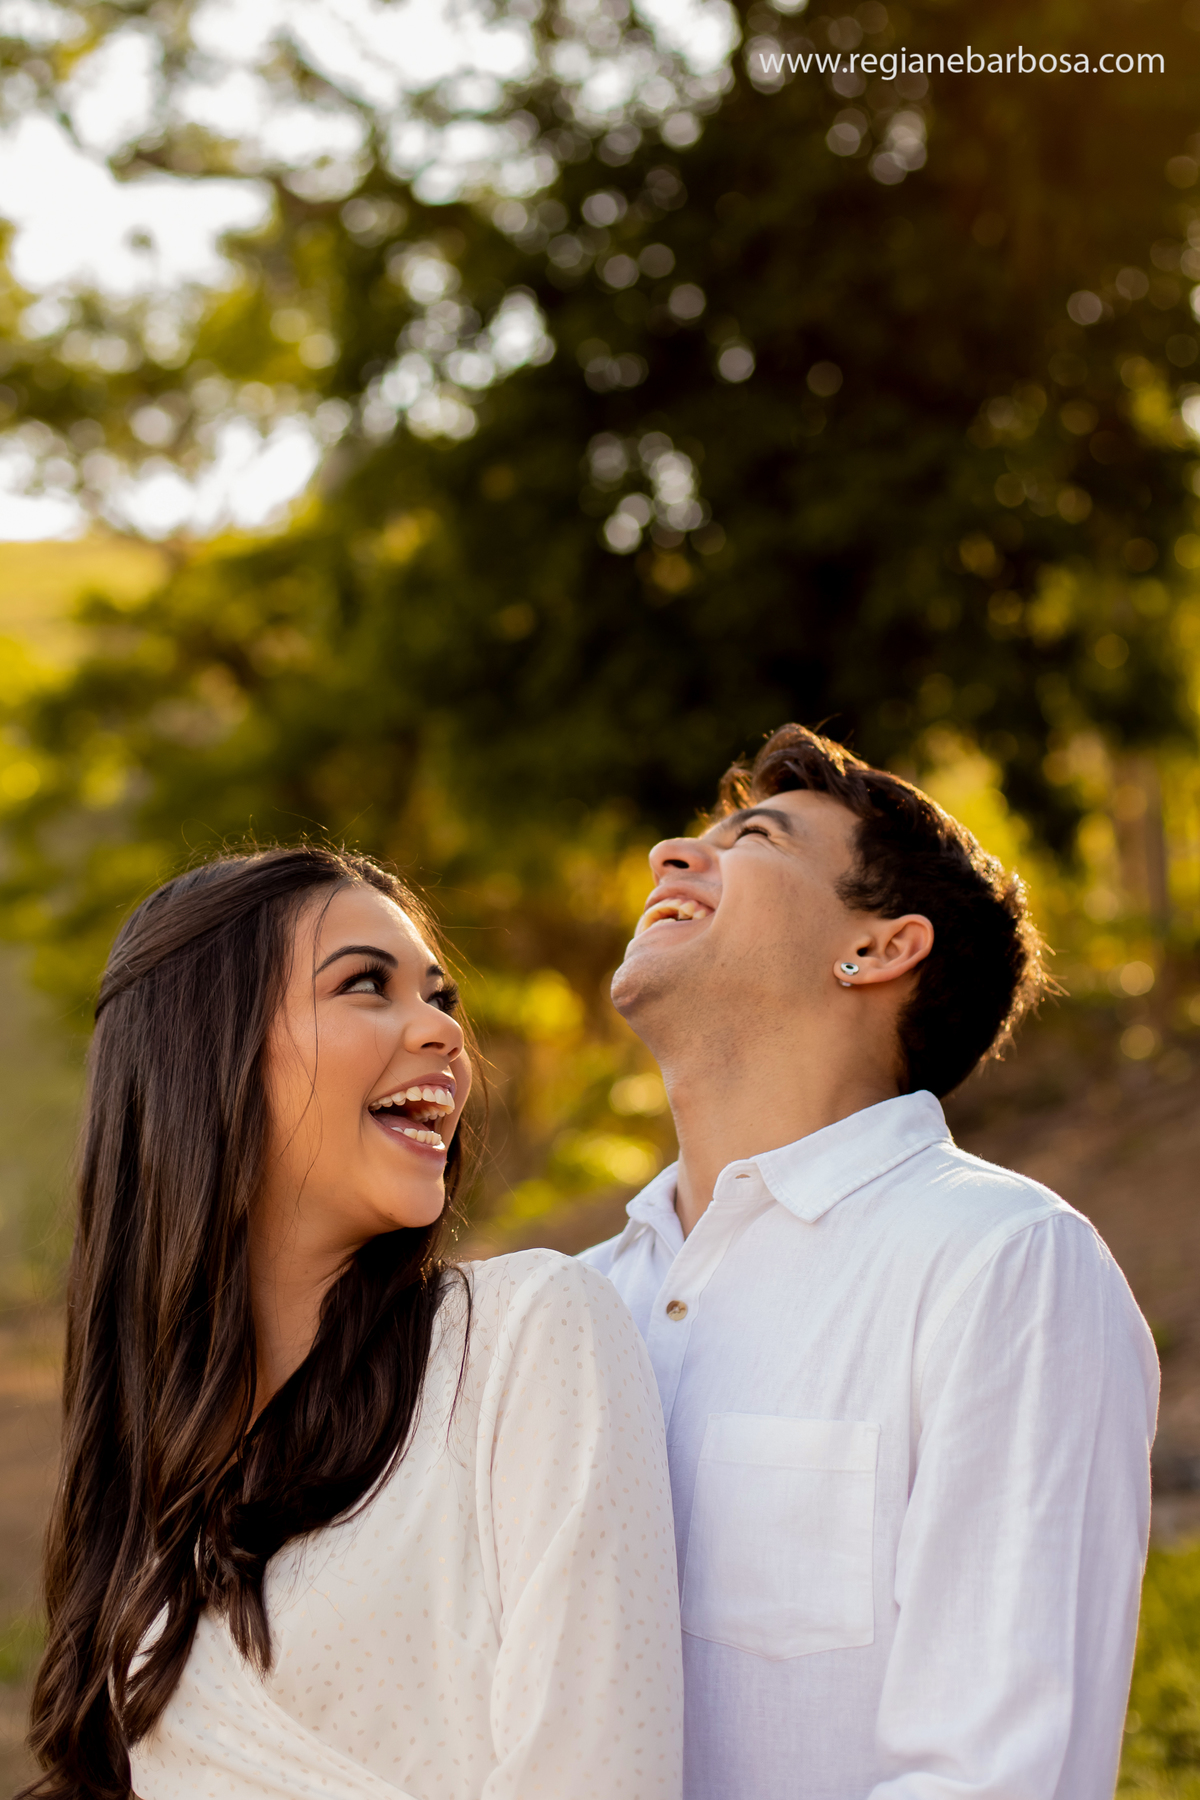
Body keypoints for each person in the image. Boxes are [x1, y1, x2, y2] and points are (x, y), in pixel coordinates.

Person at [25, 846, 682, 1800]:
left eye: (440, 996)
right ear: (206, 1049)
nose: (444, 1034)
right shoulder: (144, 1477)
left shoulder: (525, 1336)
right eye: (365, 986)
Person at [581, 723, 1158, 1800]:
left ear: (880, 948)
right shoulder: (575, 1301)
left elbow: (994, 1776)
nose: (672, 854)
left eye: (754, 838)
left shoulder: (1004, 1269)